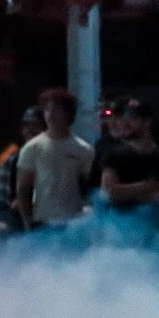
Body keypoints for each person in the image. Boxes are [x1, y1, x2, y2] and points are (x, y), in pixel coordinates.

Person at [15, 88, 95, 228]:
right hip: (42, 221)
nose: (51, 115)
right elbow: (23, 189)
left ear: (69, 114)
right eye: (47, 110)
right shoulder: (32, 148)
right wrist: (28, 221)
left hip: (74, 223)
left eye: (56, 110)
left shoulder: (84, 150)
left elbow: (90, 188)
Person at [100, 98, 159, 214]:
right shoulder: (113, 155)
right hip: (118, 227)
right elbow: (110, 193)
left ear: (147, 122)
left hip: (155, 225)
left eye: (132, 118)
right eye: (122, 118)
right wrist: (148, 186)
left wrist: (125, 191)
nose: (124, 123)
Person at [0, 106, 46, 223]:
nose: (30, 130)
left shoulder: (55, 158)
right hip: (19, 226)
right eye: (27, 125)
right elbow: (1, 198)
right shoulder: (12, 159)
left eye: (35, 125)